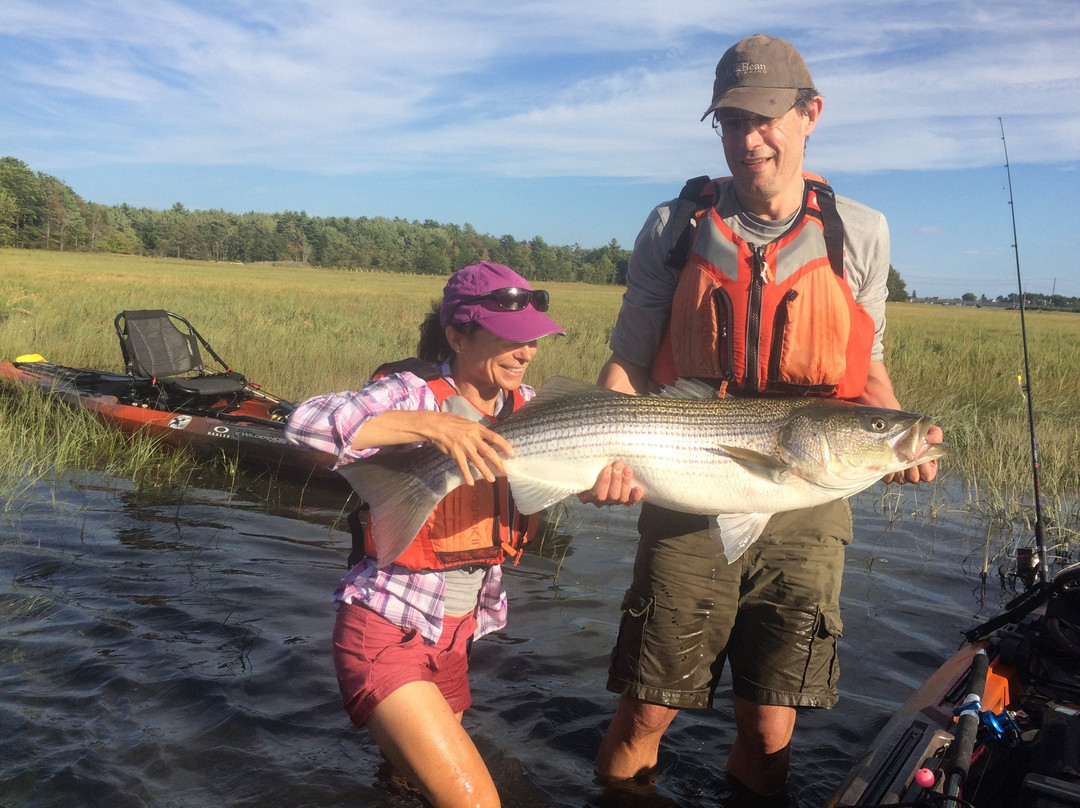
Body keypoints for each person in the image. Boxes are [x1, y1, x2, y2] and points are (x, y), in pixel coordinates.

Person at [583, 34, 944, 805]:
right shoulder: (672, 225)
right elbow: (627, 365)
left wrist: (896, 437)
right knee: (648, 706)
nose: (749, 139)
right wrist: (596, 454)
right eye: (730, 121)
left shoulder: (861, 232)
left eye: (766, 117)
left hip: (809, 497)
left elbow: (864, 362)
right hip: (684, 480)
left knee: (770, 725)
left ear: (810, 114)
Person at [285, 262, 567, 808]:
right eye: (509, 338)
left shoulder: (533, 406)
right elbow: (304, 425)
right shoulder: (411, 393)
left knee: (406, 785)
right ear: (457, 335)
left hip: (457, 633)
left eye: (532, 340)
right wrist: (432, 424)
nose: (526, 352)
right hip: (385, 626)